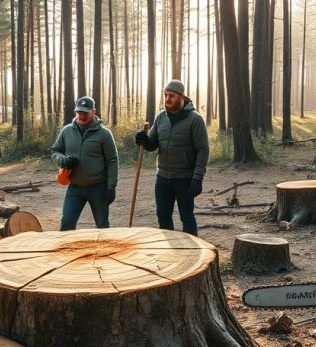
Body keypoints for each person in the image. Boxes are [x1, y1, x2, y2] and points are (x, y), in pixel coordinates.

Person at [135, 79, 209, 235]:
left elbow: (203, 150)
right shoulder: (161, 117)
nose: (168, 99)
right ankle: (168, 251)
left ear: (182, 97)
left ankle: (192, 251)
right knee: (162, 215)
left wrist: (197, 178)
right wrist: (144, 140)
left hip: (185, 178)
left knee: (186, 217)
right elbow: (152, 144)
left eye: (172, 96)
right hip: (162, 178)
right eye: (166, 95)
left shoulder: (195, 120)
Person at [50, 96, 119, 230]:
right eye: (78, 112)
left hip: (98, 187)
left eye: (85, 113)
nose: (81, 116)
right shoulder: (67, 131)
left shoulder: (104, 134)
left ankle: (105, 250)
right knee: (66, 224)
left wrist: (111, 187)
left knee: (102, 226)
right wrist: (63, 161)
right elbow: (55, 151)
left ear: (93, 112)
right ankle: (66, 250)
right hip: (74, 187)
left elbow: (112, 160)